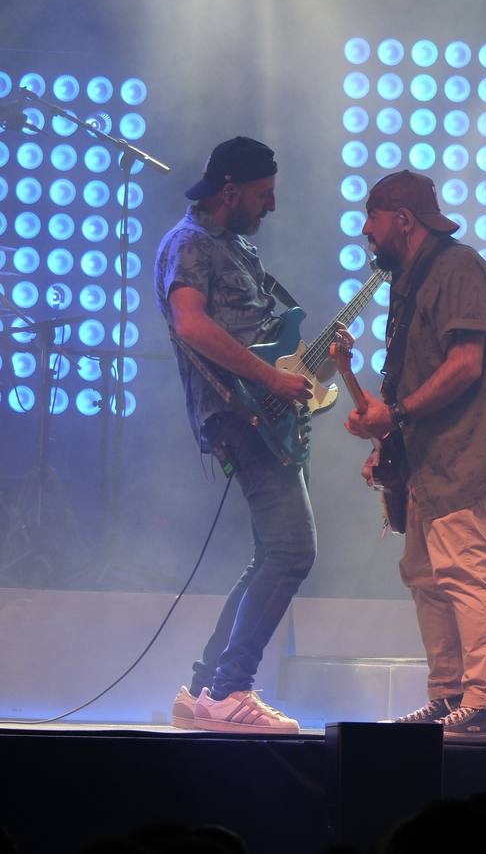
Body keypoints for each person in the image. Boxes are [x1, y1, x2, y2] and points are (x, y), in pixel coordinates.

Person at [343, 170, 486, 742]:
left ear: (403, 221)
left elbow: (465, 364)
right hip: (437, 457)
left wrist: (396, 417)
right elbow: (422, 375)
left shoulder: (456, 270)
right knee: (428, 575)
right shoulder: (414, 279)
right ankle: (450, 695)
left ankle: (482, 704)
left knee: (461, 570)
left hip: (473, 451)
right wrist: (389, 442)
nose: (365, 231)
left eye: (372, 219)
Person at [155, 136, 319, 733]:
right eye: (263, 194)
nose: (271, 205)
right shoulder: (190, 243)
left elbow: (260, 337)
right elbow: (191, 322)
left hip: (263, 410)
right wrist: (269, 379)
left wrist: (301, 372)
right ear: (231, 191)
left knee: (270, 556)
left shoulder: (235, 246)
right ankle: (230, 691)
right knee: (293, 551)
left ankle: (203, 690)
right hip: (239, 413)